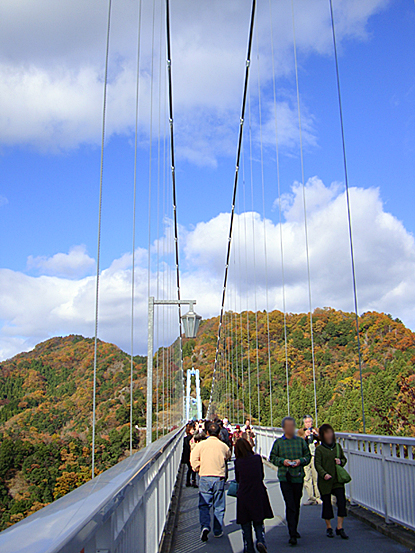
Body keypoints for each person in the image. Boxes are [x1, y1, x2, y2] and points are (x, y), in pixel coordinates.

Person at [269, 417, 311, 546]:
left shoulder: (300, 442)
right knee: (290, 503)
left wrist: (300, 461)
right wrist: (283, 462)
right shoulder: (278, 443)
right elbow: (272, 458)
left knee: (296, 503)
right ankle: (292, 533)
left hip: (298, 476)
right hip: (285, 477)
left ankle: (294, 528)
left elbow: (308, 457)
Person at [191, 421, 232, 542]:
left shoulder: (200, 445)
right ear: (219, 434)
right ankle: (217, 530)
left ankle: (205, 526)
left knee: (204, 505)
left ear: (207, 433)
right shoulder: (223, 446)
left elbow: (193, 460)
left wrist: (199, 468)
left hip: (204, 477)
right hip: (218, 477)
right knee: (218, 505)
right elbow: (228, 456)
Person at [235, 438, 273, 553]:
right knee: (258, 521)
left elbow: (238, 479)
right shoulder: (257, 459)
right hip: (258, 492)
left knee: (246, 524)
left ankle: (248, 548)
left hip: (244, 494)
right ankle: (261, 540)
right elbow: (261, 475)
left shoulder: (238, 462)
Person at [314, 424, 349, 540]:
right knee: (327, 503)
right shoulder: (319, 449)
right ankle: (329, 527)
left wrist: (341, 461)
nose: (329, 435)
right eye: (327, 433)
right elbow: (317, 464)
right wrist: (324, 474)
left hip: (337, 480)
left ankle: (340, 527)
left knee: (341, 501)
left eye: (331, 433)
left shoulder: (337, 447)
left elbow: (344, 459)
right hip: (325, 481)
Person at [297, 415, 322, 505]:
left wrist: (316, 434)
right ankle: (311, 497)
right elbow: (298, 441)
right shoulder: (300, 431)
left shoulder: (316, 430)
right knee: (307, 477)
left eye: (309, 422)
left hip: (315, 455)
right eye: (306, 422)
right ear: (304, 423)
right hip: (305, 456)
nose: (308, 424)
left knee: (316, 476)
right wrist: (304, 435)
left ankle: (318, 497)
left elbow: (322, 438)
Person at [182, 422, 197, 487]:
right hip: (191, 455)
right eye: (192, 430)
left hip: (187, 456)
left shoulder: (185, 438)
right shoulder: (192, 438)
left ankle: (188, 481)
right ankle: (193, 481)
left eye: (193, 429)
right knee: (193, 468)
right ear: (188, 431)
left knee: (190, 469)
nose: (193, 431)